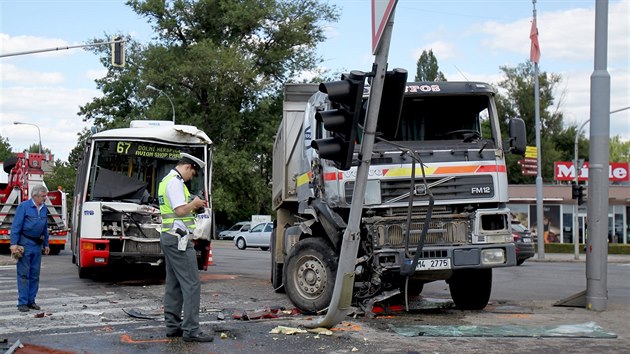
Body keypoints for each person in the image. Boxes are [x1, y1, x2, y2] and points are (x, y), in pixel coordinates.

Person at [157, 153, 213, 342]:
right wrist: (194, 204)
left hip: (170, 237)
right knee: (191, 284)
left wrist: (195, 206)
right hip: (178, 240)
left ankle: (173, 327)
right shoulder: (175, 182)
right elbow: (180, 210)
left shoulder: (167, 180)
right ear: (188, 167)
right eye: (193, 173)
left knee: (174, 284)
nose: (192, 177)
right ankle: (191, 330)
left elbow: (180, 209)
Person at [10, 185, 50, 312]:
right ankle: (22, 303)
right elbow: (16, 226)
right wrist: (13, 244)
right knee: (23, 274)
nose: (45, 198)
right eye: (43, 196)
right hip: (24, 244)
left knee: (34, 275)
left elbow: (45, 228)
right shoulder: (24, 207)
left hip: (37, 245)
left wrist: (47, 244)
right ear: (35, 196)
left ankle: (31, 301)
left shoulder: (44, 209)